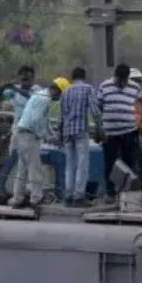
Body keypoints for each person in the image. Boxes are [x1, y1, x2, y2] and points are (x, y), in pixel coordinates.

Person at [9, 77, 67, 209]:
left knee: (22, 170)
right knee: (35, 169)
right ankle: (36, 199)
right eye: (61, 94)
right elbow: (36, 121)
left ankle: (17, 199)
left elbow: (44, 121)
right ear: (57, 90)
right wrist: (45, 136)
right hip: (29, 136)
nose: (60, 97)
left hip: (22, 133)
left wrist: (52, 136)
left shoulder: (39, 95)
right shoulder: (43, 100)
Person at [96, 63, 142, 200]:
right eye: (120, 81)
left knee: (129, 162)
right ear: (116, 76)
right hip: (110, 133)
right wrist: (99, 128)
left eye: (125, 81)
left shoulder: (134, 87)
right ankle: (110, 192)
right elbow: (98, 108)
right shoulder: (104, 86)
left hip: (129, 131)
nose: (122, 84)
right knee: (110, 163)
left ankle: (127, 193)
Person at [59, 67, 95, 206]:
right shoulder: (87, 88)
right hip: (80, 131)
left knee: (69, 164)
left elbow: (61, 115)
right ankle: (78, 197)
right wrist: (100, 126)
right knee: (82, 164)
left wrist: (60, 133)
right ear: (83, 76)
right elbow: (95, 110)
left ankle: (68, 195)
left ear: (72, 77)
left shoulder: (65, 91)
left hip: (67, 132)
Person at [0, 65, 35, 192]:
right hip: (17, 129)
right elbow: (0, 97)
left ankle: (28, 188)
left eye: (28, 78)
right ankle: (11, 187)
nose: (25, 81)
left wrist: (15, 88)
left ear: (33, 79)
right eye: (23, 78)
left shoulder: (37, 90)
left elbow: (31, 98)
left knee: (29, 161)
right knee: (13, 156)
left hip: (31, 131)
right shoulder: (14, 91)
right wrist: (3, 87)